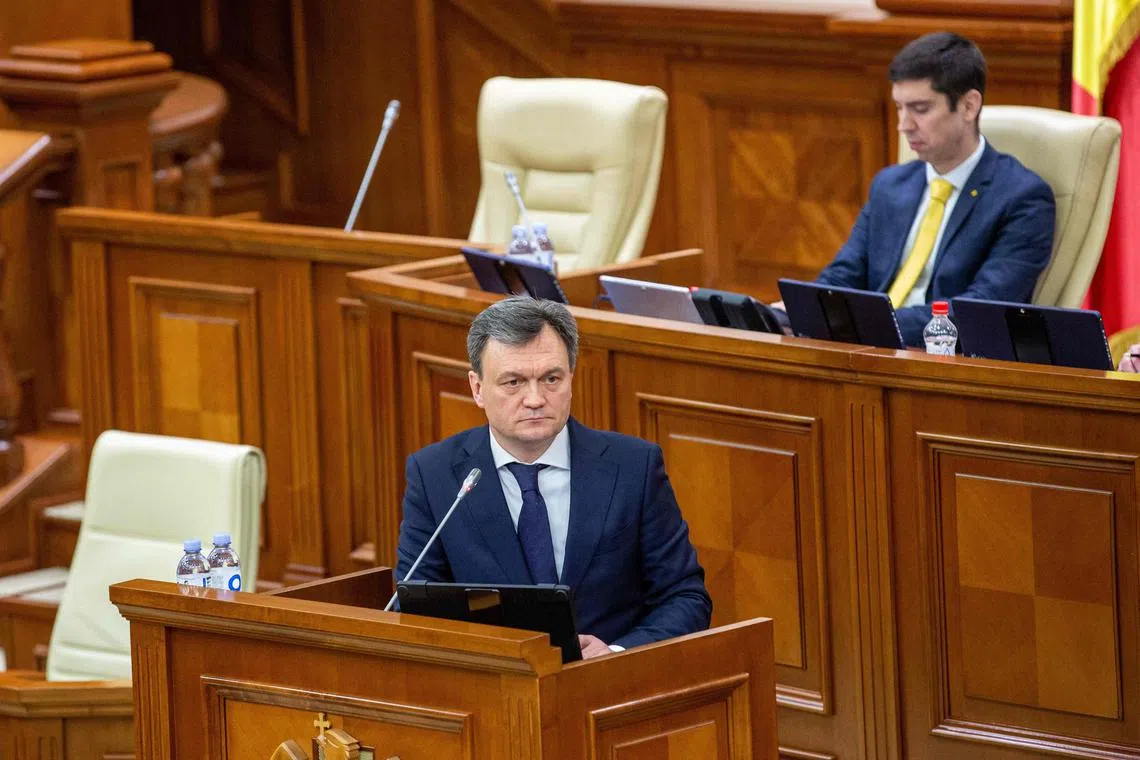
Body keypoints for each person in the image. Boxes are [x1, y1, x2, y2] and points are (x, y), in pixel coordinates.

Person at [395, 296, 712, 658]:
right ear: (477, 388)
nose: (535, 399)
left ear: (571, 379)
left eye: (551, 378)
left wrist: (618, 651)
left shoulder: (634, 467)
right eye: (513, 382)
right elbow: (416, 605)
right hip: (494, 692)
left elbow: (685, 597)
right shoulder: (436, 475)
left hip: (607, 690)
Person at [806, 32, 1056, 347]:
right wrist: (798, 312)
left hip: (945, 369)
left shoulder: (1022, 198)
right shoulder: (890, 185)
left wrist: (864, 324)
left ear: (968, 105)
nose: (903, 125)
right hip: (865, 351)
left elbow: (980, 310)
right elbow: (841, 277)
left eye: (920, 109)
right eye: (899, 107)